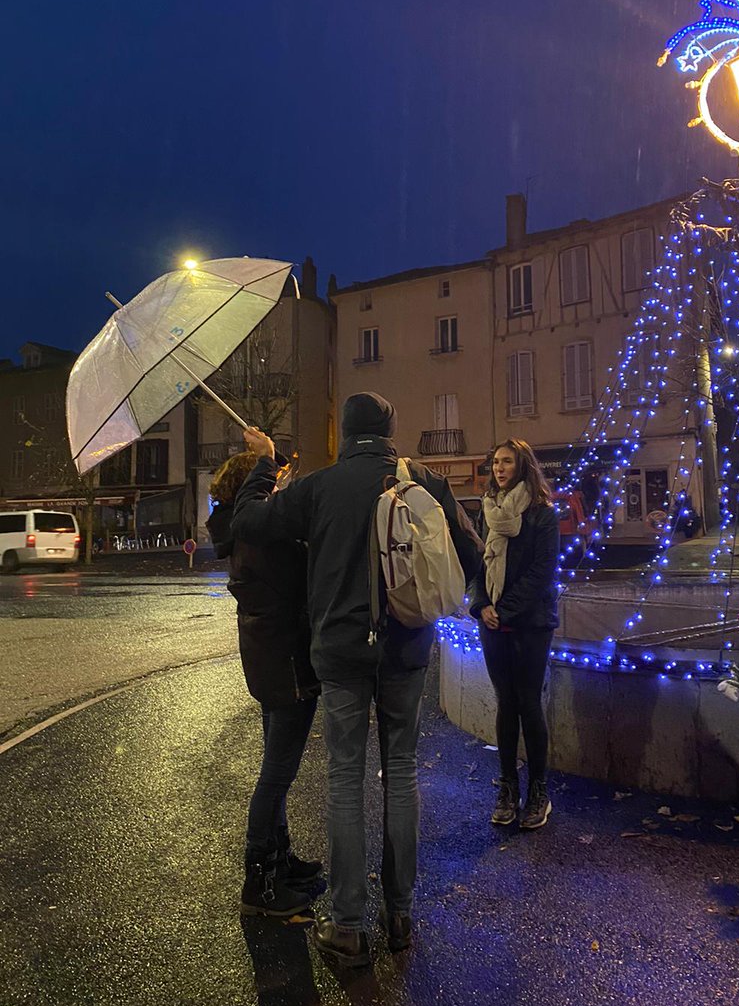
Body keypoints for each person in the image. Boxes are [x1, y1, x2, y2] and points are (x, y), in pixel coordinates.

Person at [231, 392, 482, 966]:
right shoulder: (423, 481)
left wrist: (266, 460)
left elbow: (248, 521)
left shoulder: (318, 487)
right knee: (401, 771)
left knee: (345, 777)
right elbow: (470, 552)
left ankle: (347, 924)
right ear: (391, 432)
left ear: (344, 432)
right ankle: (400, 913)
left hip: (341, 652)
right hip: (407, 648)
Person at [206, 451, 322, 919]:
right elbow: (303, 582)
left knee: (276, 769)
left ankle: (280, 859)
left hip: (267, 662)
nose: (275, 491)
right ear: (250, 491)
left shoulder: (234, 531)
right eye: (269, 487)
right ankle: (260, 883)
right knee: (276, 776)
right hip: (287, 664)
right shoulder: (260, 538)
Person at [469, 438, 560, 830]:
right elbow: (476, 564)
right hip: (494, 624)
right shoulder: (486, 513)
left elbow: (542, 573)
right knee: (506, 704)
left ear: (523, 465)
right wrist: (481, 606)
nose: (499, 469)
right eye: (495, 463)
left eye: (507, 462)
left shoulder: (542, 515)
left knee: (528, 704)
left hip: (530, 623)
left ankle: (538, 790)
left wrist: (503, 610)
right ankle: (508, 787)